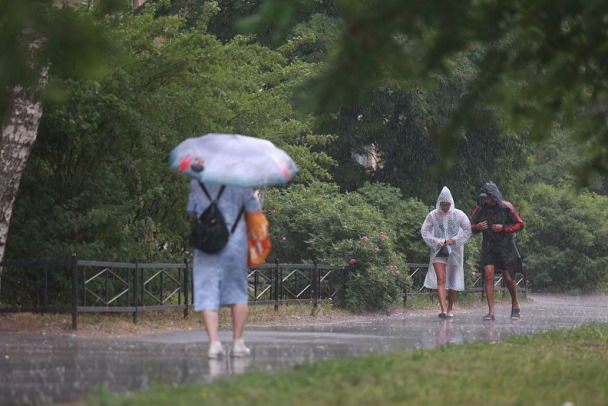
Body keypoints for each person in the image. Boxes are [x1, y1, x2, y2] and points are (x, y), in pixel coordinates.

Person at [187, 179, 262, 359]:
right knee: (238, 292)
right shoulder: (242, 182)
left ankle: (214, 344)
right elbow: (255, 212)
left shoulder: (197, 182)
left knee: (207, 291)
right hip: (235, 244)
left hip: (207, 242)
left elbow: (193, 213)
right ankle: (238, 343)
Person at [471, 181, 524, 321]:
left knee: (508, 278)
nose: (486, 199)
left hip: (506, 245)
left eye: (488, 197)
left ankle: (515, 303)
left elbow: (520, 224)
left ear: (494, 196)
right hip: (488, 245)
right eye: (484, 197)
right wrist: (477, 227)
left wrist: (504, 228)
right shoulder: (480, 208)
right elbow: (470, 226)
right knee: (488, 277)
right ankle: (491, 312)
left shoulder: (507, 207)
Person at [421, 186, 472, 319]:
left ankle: (450, 308)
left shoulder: (459, 215)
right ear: (439, 203)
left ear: (451, 203)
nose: (445, 207)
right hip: (438, 250)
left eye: (447, 205)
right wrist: (435, 240)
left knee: (453, 280)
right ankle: (443, 309)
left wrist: (455, 240)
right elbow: (425, 232)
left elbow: (467, 230)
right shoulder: (432, 215)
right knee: (441, 279)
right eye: (442, 205)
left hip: (454, 251)